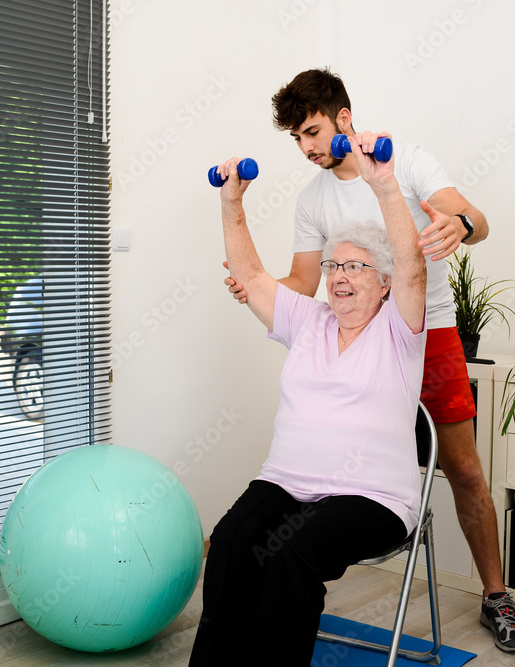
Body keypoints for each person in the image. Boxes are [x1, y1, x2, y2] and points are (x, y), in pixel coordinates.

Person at [225, 68, 515, 653]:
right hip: (353, 335)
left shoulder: (406, 162)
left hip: (424, 329)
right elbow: (301, 281)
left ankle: (497, 596)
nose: (308, 147)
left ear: (344, 117)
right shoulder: (313, 197)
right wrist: (254, 286)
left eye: (312, 131)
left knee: (463, 468)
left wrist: (457, 225)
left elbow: (476, 220)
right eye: (296, 138)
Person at [189, 136, 433, 666]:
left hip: (372, 497)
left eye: (355, 267)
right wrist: (232, 201)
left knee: (291, 553)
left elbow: (415, 265)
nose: (339, 277)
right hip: (287, 482)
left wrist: (384, 184)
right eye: (331, 266)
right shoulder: (309, 321)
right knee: (231, 541)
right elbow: (251, 276)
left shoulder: (399, 332)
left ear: (386, 283)